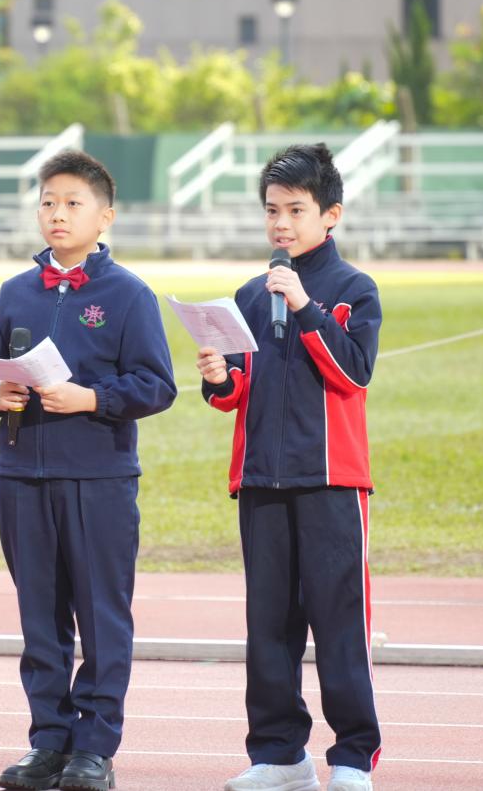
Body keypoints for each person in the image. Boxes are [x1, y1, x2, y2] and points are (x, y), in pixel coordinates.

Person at [0, 150, 177, 791]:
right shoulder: (15, 293)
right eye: (48, 202)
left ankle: (95, 749)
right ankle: (48, 743)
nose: (58, 213)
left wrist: (91, 399)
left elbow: (157, 385)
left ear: (105, 216)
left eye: (73, 203)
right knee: (41, 621)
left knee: (102, 618)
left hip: (98, 481)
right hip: (20, 478)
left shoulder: (128, 295)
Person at [196, 144, 382, 791]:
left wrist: (304, 307)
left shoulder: (353, 289)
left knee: (339, 623)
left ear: (330, 214)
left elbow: (353, 372)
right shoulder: (251, 295)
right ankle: (280, 755)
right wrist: (217, 376)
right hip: (261, 480)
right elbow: (233, 394)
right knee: (269, 627)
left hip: (331, 481)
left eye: (296, 210)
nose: (281, 223)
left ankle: (352, 757)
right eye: (272, 210)